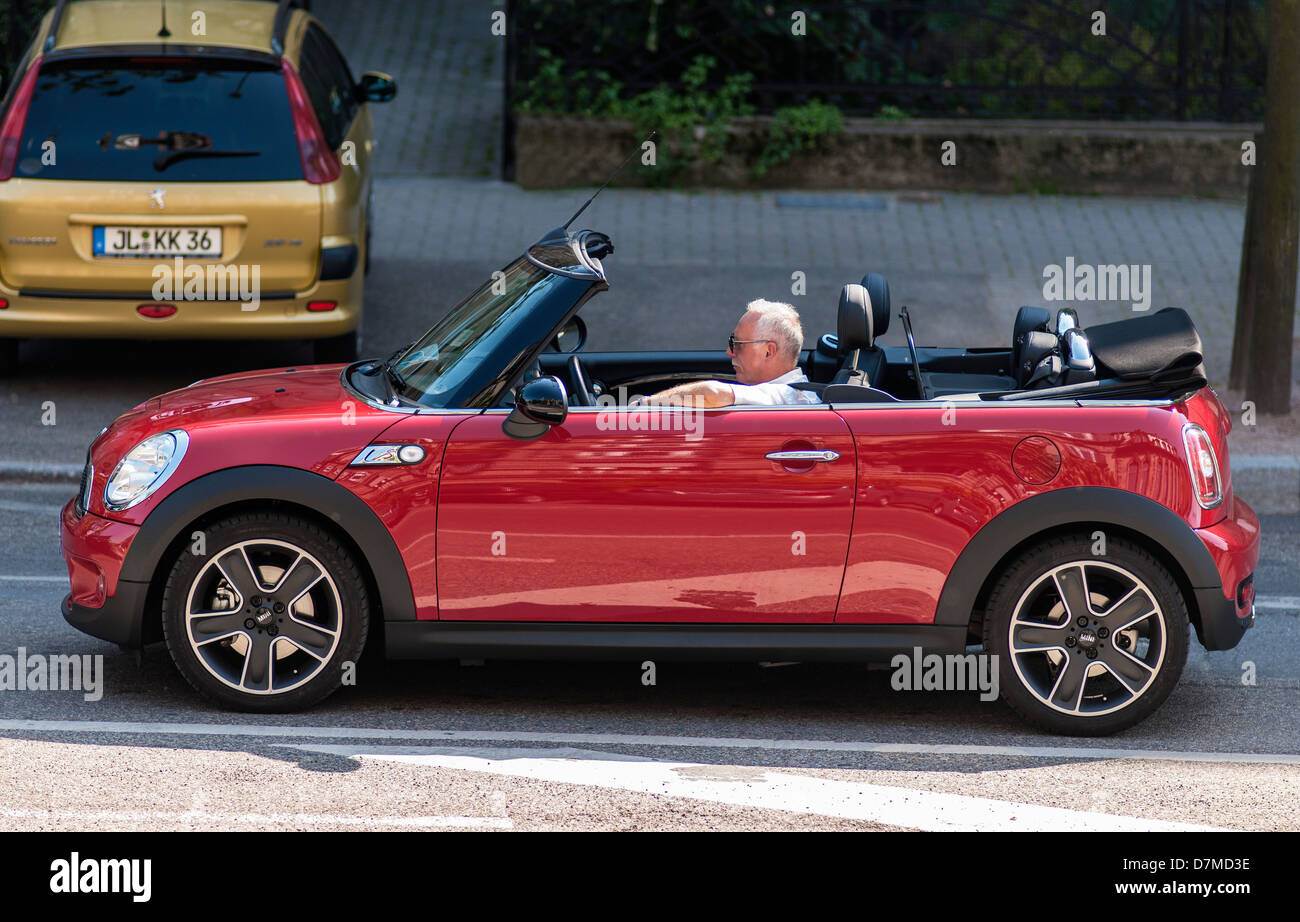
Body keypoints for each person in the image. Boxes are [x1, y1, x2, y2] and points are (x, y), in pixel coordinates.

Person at [634, 300, 820, 407]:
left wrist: (644, 405)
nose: (729, 352)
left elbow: (712, 393)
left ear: (768, 351)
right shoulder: (792, 394)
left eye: (737, 344)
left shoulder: (786, 396)